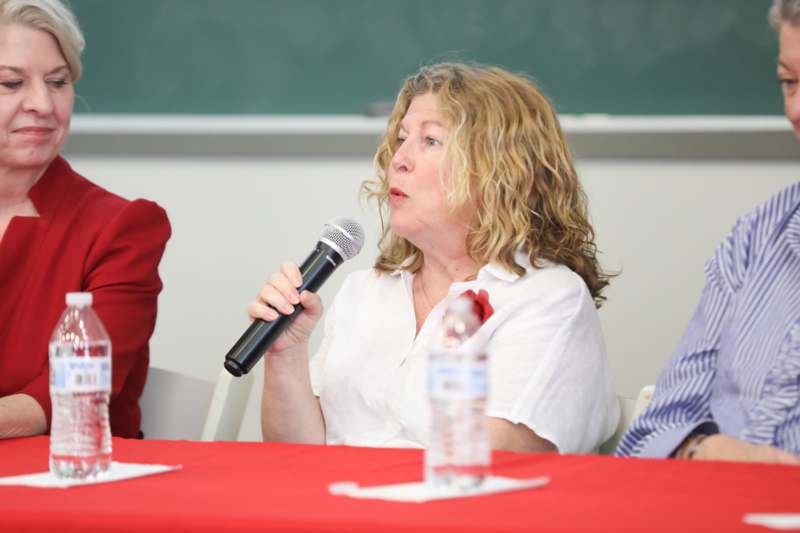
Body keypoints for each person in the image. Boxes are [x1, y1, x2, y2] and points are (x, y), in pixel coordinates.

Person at [249, 63, 619, 453]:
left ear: (499, 170)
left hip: (450, 510)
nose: (399, 159)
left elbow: (500, 459)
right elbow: (295, 456)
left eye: (430, 141)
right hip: (336, 508)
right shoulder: (365, 291)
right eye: (402, 138)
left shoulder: (547, 297)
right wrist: (286, 355)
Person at [616, 0, 800, 464]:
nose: (795, 109)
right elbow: (651, 433)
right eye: (789, 83)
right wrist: (704, 450)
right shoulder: (758, 236)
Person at [0, 0, 170, 439]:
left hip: (73, 483)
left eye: (58, 82)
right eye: (10, 83)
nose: (41, 103)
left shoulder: (123, 228)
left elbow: (67, 394)